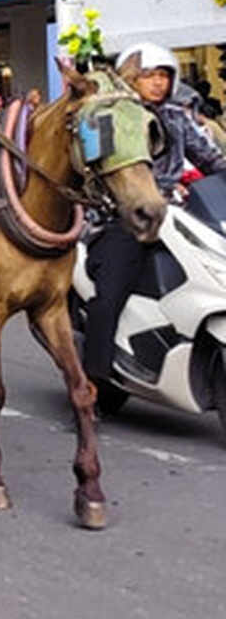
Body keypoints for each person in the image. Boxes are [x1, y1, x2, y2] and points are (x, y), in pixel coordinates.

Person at [83, 43, 226, 384]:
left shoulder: (177, 117)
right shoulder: (109, 118)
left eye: (164, 75)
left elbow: (213, 161)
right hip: (123, 220)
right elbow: (95, 172)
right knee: (110, 295)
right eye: (150, 75)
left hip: (176, 219)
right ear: (131, 76)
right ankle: (92, 383)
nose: (158, 82)